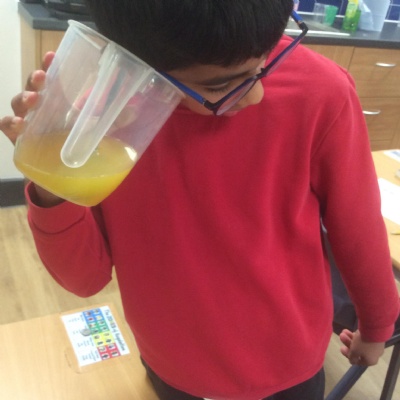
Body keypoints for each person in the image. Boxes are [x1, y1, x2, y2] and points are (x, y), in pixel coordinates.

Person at [1, 1, 399, 399]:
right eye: (220, 86)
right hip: (171, 361)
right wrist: (50, 179)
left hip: (287, 361)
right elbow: (85, 277)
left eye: (266, 61)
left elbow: (358, 225)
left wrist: (377, 325)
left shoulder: (321, 91)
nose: (257, 94)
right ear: (136, 59)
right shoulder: (105, 115)